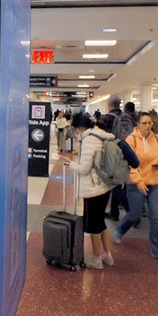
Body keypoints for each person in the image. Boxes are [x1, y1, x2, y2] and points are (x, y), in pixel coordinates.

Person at [112, 112, 158, 262]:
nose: (148, 126)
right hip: (136, 184)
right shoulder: (131, 140)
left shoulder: (157, 139)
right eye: (144, 123)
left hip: (155, 183)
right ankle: (120, 230)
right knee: (135, 214)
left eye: (150, 123)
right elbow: (130, 164)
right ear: (137, 125)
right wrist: (139, 182)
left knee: (156, 217)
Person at [60, 113, 116, 269]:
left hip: (93, 188)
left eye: (76, 130)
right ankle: (108, 255)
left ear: (79, 128)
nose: (76, 134)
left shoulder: (89, 139)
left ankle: (97, 260)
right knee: (101, 222)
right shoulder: (102, 135)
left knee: (93, 225)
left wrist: (70, 162)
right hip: (104, 185)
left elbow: (84, 169)